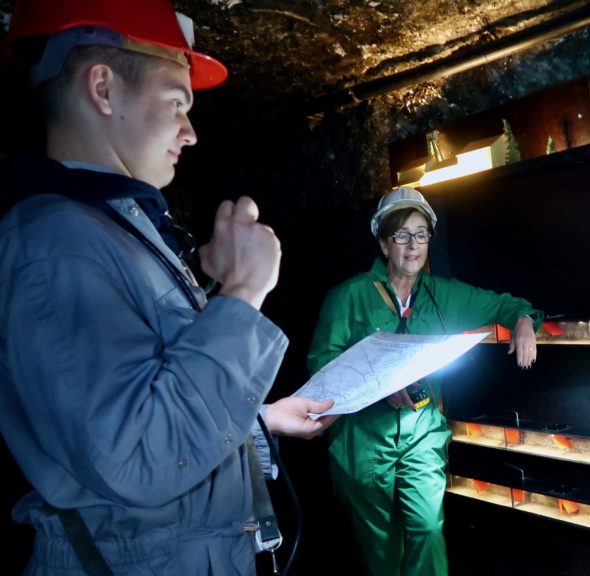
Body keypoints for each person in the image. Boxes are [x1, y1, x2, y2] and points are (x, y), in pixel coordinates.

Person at [0, 0, 338, 573]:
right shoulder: (54, 243)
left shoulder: (113, 229)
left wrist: (261, 419)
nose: (191, 132)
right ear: (103, 89)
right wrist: (243, 292)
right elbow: (136, 458)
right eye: (177, 103)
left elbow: (161, 401)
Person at [308, 186, 543, 575]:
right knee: (383, 549)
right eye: (401, 234)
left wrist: (523, 322)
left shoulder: (442, 294)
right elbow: (321, 365)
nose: (413, 245)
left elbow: (507, 303)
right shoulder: (347, 297)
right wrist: (378, 388)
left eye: (421, 234)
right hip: (362, 443)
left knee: (427, 527)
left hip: (421, 432)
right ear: (384, 243)